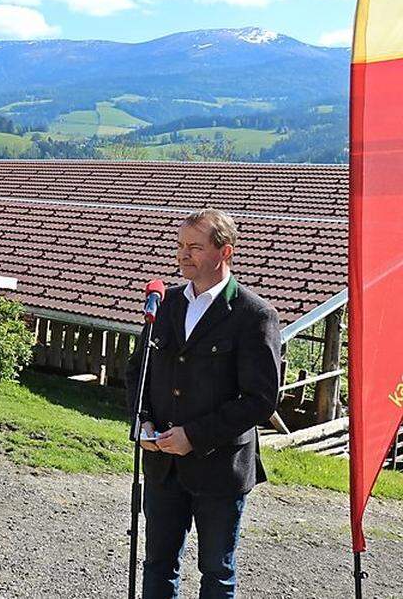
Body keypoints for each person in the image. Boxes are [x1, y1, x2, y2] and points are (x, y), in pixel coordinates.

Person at [127, 208, 281, 599]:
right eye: (180, 246)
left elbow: (260, 400)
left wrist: (193, 436)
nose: (183, 255)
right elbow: (137, 371)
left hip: (219, 468)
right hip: (163, 465)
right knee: (158, 565)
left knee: (217, 571)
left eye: (194, 247)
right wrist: (141, 422)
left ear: (224, 252)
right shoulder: (165, 305)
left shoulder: (254, 315)